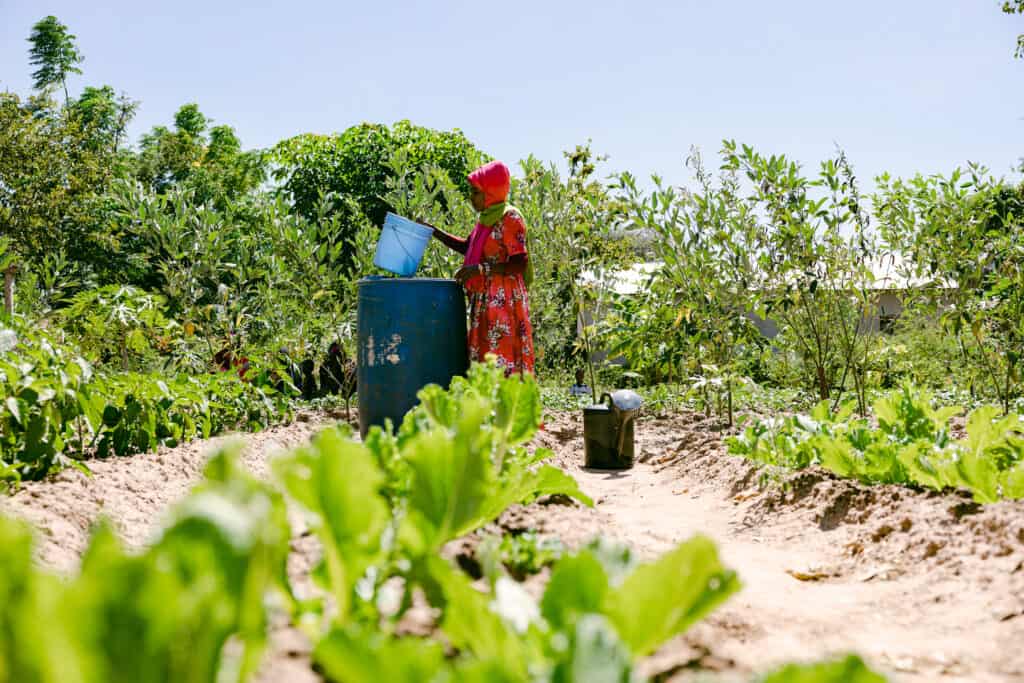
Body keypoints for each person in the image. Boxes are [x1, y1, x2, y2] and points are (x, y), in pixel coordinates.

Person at [429, 160, 535, 376]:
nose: (471, 197)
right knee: (486, 354)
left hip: (504, 299)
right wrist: (434, 231)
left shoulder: (510, 217)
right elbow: (467, 247)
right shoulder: (485, 220)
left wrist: (481, 269)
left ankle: (507, 395)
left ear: (491, 191)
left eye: (476, 192)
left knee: (502, 354)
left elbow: (519, 262)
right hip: (485, 298)